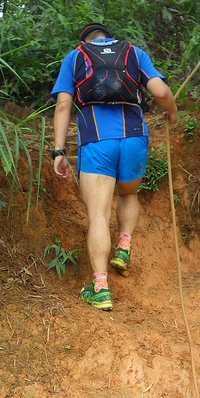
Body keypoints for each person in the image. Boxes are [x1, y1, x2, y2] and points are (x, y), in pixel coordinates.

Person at [51, 22, 177, 311]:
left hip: (96, 140)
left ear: (84, 40)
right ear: (109, 37)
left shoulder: (75, 57)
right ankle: (124, 245)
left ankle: (100, 289)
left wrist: (58, 150)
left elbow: (62, 106)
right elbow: (160, 92)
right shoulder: (134, 52)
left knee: (98, 215)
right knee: (129, 194)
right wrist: (172, 109)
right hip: (134, 137)